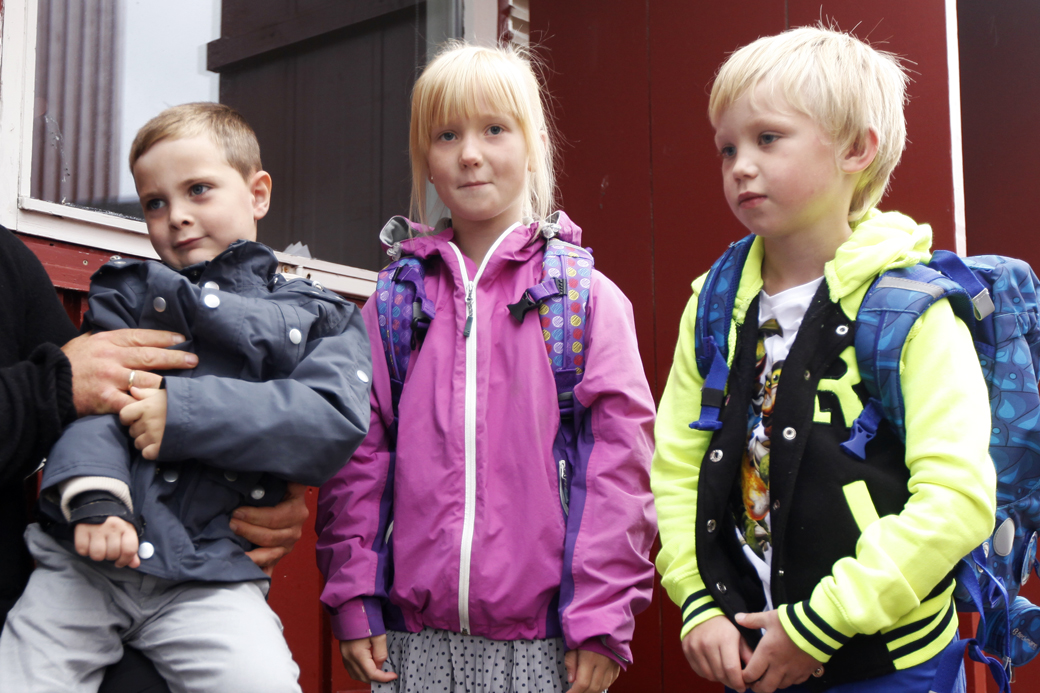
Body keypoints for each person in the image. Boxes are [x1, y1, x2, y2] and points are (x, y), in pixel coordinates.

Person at [651, 26, 997, 693]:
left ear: (856, 149)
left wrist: (822, 622)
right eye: (727, 147)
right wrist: (696, 599)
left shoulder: (911, 309)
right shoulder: (715, 304)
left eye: (767, 138)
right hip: (753, 656)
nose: (739, 164)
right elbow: (675, 466)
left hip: (892, 667)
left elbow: (957, 498)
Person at [315, 42, 657, 693]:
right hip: (412, 641)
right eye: (447, 135)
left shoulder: (583, 300)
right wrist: (355, 596)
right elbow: (358, 456)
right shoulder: (395, 303)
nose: (470, 153)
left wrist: (603, 617)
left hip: (547, 641)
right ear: (427, 162)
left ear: (531, 144)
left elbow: (619, 468)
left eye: (494, 129)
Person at [0, 103, 372, 692]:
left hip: (210, 574)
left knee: (264, 681)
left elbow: (329, 419)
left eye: (198, 190)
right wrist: (92, 492)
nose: (175, 217)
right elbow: (90, 402)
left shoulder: (318, 317)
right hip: (90, 563)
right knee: (25, 677)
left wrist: (186, 413)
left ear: (258, 193)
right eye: (155, 202)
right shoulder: (131, 298)